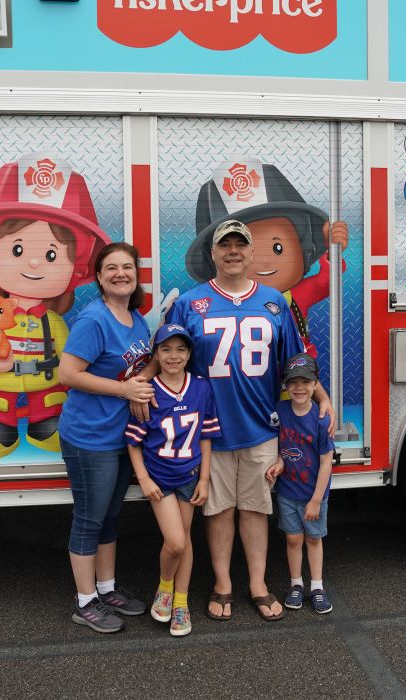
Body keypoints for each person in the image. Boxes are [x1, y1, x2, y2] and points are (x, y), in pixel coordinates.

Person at [143, 219, 335, 623]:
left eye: (240, 245)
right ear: (212, 254)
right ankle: (223, 584)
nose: (233, 251)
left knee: (254, 508)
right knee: (218, 510)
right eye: (224, 244)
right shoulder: (190, 303)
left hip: (260, 428)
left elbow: (293, 359)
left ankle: (258, 584)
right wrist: (137, 386)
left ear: (251, 253)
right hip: (208, 432)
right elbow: (166, 356)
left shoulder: (273, 302)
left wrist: (321, 395)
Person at [0, 154, 112, 459]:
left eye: (52, 255)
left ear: (75, 267)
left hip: (47, 384)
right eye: (17, 249)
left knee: (53, 418)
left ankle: (46, 421)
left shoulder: (53, 320)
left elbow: (70, 355)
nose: (35, 262)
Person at [57, 242, 155, 633]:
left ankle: (107, 588)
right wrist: (126, 391)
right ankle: (84, 602)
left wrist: (143, 383)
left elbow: (141, 368)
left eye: (127, 267)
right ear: (98, 277)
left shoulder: (136, 318)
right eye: (110, 268)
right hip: (89, 437)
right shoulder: (94, 319)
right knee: (89, 518)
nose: (120, 274)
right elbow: (68, 374)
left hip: (120, 438)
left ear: (136, 274)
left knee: (111, 516)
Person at [185, 159, 349, 358]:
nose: (264, 261)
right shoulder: (208, 302)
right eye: (230, 246)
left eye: (277, 248)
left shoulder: (292, 298)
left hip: (293, 380)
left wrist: (334, 251)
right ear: (214, 255)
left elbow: (325, 282)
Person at [124, 324, 220, 637]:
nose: (173, 356)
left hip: (189, 475)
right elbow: (134, 441)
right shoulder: (148, 392)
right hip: (161, 479)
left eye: (180, 349)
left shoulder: (202, 388)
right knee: (176, 541)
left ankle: (181, 602)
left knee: (185, 540)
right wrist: (143, 478)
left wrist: (204, 478)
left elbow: (206, 436)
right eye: (166, 349)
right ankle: (165, 587)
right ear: (156, 354)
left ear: (190, 353)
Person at [274, 353, 336, 615]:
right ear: (285, 385)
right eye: (293, 382)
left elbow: (326, 463)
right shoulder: (280, 411)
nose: (299, 388)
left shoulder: (322, 420)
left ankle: (317, 587)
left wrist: (315, 500)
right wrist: (278, 461)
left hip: (313, 494)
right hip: (288, 492)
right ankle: (296, 584)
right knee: (293, 539)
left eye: (306, 382)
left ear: (315, 385)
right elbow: (277, 445)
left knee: (313, 539)